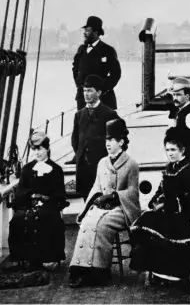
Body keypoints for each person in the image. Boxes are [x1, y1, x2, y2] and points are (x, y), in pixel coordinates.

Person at [68, 118, 141, 287]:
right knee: (87, 222)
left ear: (121, 142)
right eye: (106, 140)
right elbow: (96, 185)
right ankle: (80, 269)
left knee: (100, 224)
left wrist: (114, 196)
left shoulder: (131, 164)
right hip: (103, 206)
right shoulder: (102, 162)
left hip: (121, 209)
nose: (107, 143)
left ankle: (99, 271)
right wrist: (96, 200)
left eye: (112, 140)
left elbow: (133, 192)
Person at [129, 127, 190, 282]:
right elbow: (162, 189)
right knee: (145, 219)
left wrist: (168, 205)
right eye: (167, 150)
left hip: (181, 214)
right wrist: (155, 202)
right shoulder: (170, 167)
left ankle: (171, 272)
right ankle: (154, 267)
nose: (170, 153)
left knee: (152, 223)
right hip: (167, 210)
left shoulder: (189, 170)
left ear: (183, 150)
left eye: (173, 149)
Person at [8, 132, 68, 271]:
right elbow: (21, 191)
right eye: (34, 149)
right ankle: (23, 257)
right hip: (29, 204)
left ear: (47, 149)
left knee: (46, 218)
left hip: (49, 206)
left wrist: (45, 198)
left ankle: (49, 257)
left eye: (40, 149)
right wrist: (31, 196)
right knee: (18, 219)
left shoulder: (56, 170)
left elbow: (59, 194)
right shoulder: (27, 169)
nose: (37, 152)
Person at [69, 74, 119, 195]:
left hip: (101, 165)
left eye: (90, 91)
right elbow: (75, 139)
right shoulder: (79, 115)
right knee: (86, 198)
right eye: (84, 91)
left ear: (99, 92)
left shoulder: (109, 114)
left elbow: (121, 139)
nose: (86, 94)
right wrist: (80, 154)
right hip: (83, 167)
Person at [72, 15, 121, 111]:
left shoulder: (108, 50)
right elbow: (75, 68)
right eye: (85, 31)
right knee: (84, 124)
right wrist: (79, 84)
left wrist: (102, 89)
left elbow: (116, 73)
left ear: (96, 32)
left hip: (103, 100)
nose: (85, 33)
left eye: (88, 31)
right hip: (83, 101)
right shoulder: (81, 50)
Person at [167, 77, 190, 161]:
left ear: (187, 96)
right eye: (174, 95)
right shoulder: (179, 113)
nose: (175, 98)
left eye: (178, 95)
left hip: (188, 160)